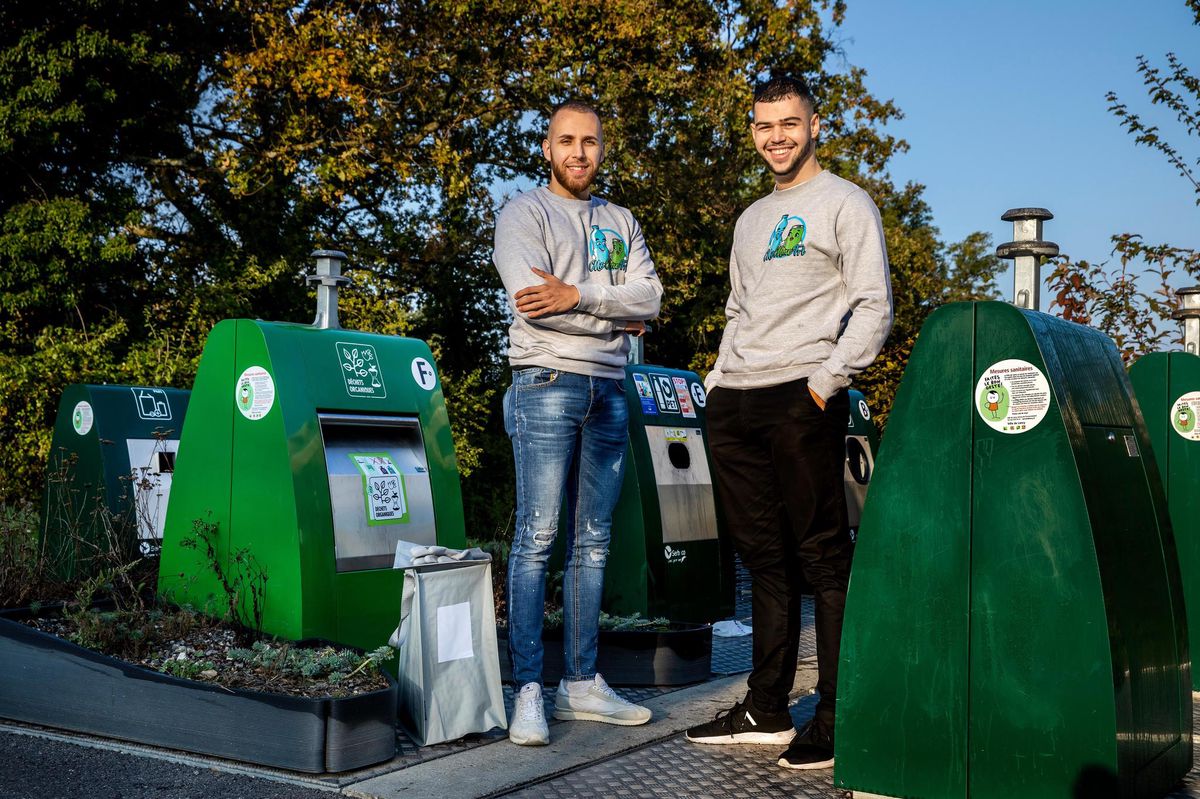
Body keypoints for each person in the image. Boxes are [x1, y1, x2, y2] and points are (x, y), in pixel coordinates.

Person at [684, 74, 893, 770]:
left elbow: (873, 306)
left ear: (814, 126)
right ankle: (766, 706)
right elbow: (739, 310)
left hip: (802, 398)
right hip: (737, 402)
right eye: (764, 125)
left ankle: (836, 713)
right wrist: (717, 383)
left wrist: (825, 382)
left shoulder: (845, 203)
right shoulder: (749, 220)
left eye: (789, 123)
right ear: (753, 130)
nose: (777, 137)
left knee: (823, 558)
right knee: (762, 560)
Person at [493, 99, 663, 746]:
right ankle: (529, 688)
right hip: (546, 382)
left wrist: (581, 295)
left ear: (602, 147)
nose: (579, 153)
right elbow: (531, 304)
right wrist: (615, 313)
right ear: (546, 148)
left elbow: (651, 296)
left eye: (589, 142)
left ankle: (582, 681)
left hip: (610, 389)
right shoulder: (523, 213)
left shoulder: (620, 219)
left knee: (593, 541)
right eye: (566, 141)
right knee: (538, 535)